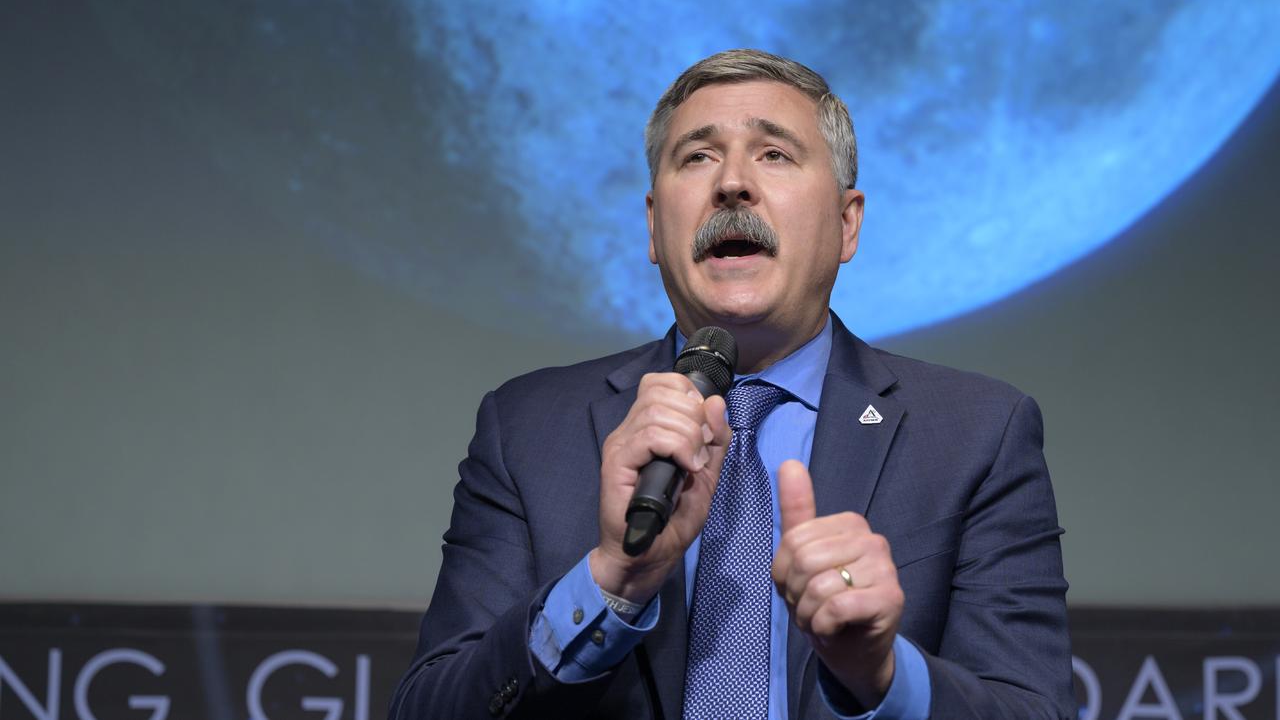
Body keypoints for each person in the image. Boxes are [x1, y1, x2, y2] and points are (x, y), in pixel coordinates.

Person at [389, 49, 1075, 719]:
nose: (733, 183)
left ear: (846, 223)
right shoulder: (528, 428)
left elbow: (1032, 706)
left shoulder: (977, 433)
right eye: (698, 156)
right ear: (655, 225)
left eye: (774, 154)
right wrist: (609, 584)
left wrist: (880, 675)